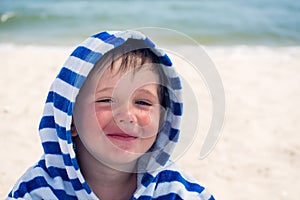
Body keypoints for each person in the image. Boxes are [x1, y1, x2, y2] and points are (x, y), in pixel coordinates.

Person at [7, 30, 214, 200]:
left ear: (163, 120)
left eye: (142, 102)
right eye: (106, 100)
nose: (126, 116)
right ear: (69, 119)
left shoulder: (178, 193)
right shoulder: (37, 190)